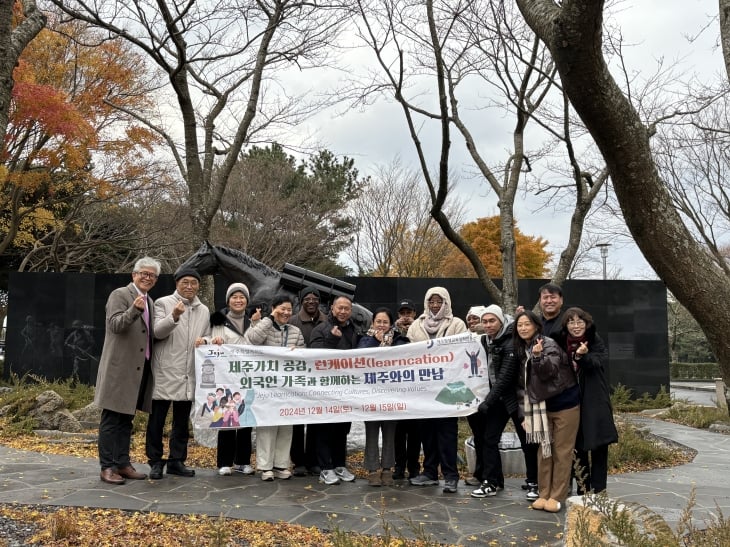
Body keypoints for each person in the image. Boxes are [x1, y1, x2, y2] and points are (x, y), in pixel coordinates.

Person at [94, 257, 160, 485]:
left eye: (152, 275)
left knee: (126, 420)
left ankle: (122, 463)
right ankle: (107, 467)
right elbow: (115, 325)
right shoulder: (120, 295)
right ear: (134, 274)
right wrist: (133, 310)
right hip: (118, 369)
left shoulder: (150, 301)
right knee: (111, 419)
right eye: (143, 273)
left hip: (138, 370)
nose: (147, 277)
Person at [146, 267, 210, 480]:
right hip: (166, 371)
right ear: (177, 283)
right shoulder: (163, 303)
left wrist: (208, 341)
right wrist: (174, 316)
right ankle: (155, 462)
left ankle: (176, 461)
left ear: (198, 285)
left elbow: (207, 337)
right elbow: (157, 332)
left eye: (194, 282)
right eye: (185, 282)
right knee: (157, 420)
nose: (189, 286)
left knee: (181, 422)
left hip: (188, 373)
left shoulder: (204, 310)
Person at [513, 310, 579, 513]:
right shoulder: (522, 348)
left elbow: (549, 371)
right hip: (541, 408)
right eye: (519, 325)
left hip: (565, 404)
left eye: (527, 324)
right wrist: (525, 414)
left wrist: (538, 355)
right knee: (544, 451)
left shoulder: (546, 344)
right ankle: (544, 494)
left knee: (561, 451)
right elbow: (523, 386)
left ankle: (557, 496)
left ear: (536, 326)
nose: (523, 328)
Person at [469, 305, 538, 501]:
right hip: (497, 400)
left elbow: (505, 377)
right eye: (485, 321)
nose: (488, 325)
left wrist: (486, 402)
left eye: (492, 321)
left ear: (500, 321)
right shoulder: (484, 340)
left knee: (527, 441)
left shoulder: (510, 342)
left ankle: (534, 482)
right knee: (489, 439)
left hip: (515, 398)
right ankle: (491, 482)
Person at [406, 287, 467, 494]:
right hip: (423, 390)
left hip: (448, 389)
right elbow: (407, 353)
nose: (434, 305)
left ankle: (451, 476)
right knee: (427, 434)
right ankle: (430, 472)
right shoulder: (416, 325)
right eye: (431, 301)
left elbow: (461, 352)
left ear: (446, 303)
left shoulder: (457, 324)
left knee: (447, 434)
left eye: (438, 301)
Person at [553, 307, 618, 494]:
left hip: (594, 399)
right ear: (566, 325)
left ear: (586, 323)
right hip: (571, 401)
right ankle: (582, 489)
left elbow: (597, 363)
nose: (576, 326)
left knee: (599, 445)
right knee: (577, 445)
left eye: (579, 321)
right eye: (571, 322)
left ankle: (599, 490)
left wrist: (582, 356)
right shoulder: (559, 341)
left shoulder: (594, 339)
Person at [243, 294, 305, 481]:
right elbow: (252, 340)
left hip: (287, 387)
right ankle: (265, 466)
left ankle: (281, 464)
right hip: (266, 387)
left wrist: (299, 352)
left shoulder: (295, 331)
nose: (285, 313)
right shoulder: (264, 326)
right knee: (267, 425)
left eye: (288, 309)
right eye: (282, 309)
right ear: (273, 308)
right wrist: (268, 319)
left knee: (286, 426)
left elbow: (305, 353)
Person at [209, 282, 260, 476]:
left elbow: (255, 343)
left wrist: (256, 323)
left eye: (242, 297)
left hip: (247, 378)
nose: (238, 300)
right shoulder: (218, 321)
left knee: (245, 421)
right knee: (226, 420)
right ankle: (224, 462)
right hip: (226, 378)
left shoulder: (253, 320)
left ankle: (242, 461)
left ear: (247, 301)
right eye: (234, 297)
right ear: (228, 300)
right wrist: (211, 341)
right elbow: (210, 342)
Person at [309, 295, 361, 485]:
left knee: (341, 429)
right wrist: (331, 339)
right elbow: (314, 357)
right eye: (340, 308)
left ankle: (339, 465)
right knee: (324, 429)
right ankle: (325, 468)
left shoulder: (355, 330)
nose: (343, 311)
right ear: (332, 308)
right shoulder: (321, 329)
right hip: (324, 389)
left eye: (347, 308)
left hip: (346, 389)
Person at [357, 307, 409, 486]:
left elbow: (404, 355)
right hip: (370, 395)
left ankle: (387, 469)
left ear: (390, 324)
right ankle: (372, 470)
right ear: (372, 323)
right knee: (371, 432)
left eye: (385, 322)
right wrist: (374, 341)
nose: (381, 325)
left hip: (391, 395)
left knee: (390, 433)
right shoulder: (364, 339)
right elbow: (360, 356)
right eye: (378, 321)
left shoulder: (399, 340)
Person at [288, 285, 327, 477]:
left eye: (315, 298)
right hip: (297, 380)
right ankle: (298, 461)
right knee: (296, 421)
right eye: (307, 299)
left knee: (315, 422)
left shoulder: (326, 321)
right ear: (301, 301)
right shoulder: (293, 321)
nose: (311, 302)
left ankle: (313, 460)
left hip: (319, 380)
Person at [392, 297, 421, 481]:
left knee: (415, 433)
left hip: (417, 389)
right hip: (396, 390)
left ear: (414, 314)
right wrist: (395, 329)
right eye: (402, 313)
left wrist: (413, 328)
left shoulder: (421, 331)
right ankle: (399, 466)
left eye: (408, 313)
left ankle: (414, 467)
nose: (405, 317)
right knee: (398, 433)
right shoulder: (392, 332)